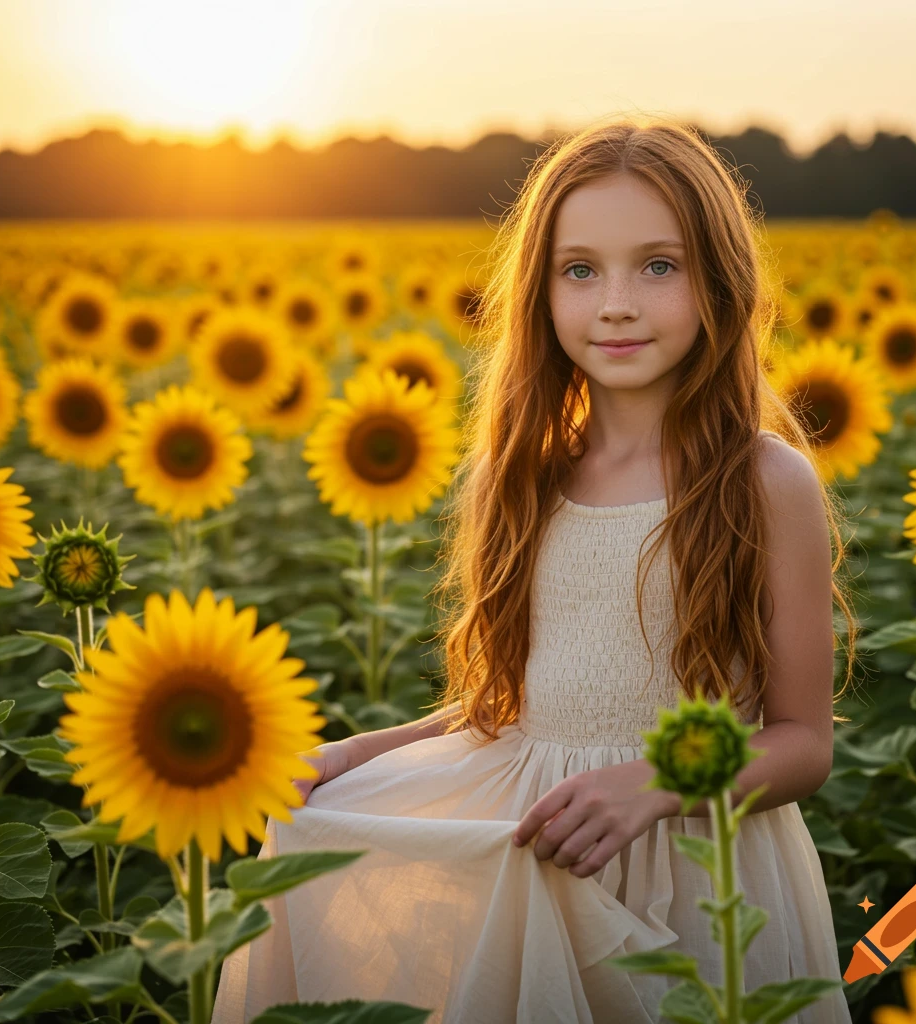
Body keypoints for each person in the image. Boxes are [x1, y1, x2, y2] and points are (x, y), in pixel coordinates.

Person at [210, 114, 856, 1024]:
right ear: (539, 292)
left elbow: (804, 744)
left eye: (658, 266)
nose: (616, 303)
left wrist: (661, 783)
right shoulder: (525, 478)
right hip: (543, 864)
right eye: (580, 269)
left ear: (721, 280)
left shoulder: (762, 480)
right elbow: (512, 705)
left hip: (702, 872)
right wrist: (354, 756)